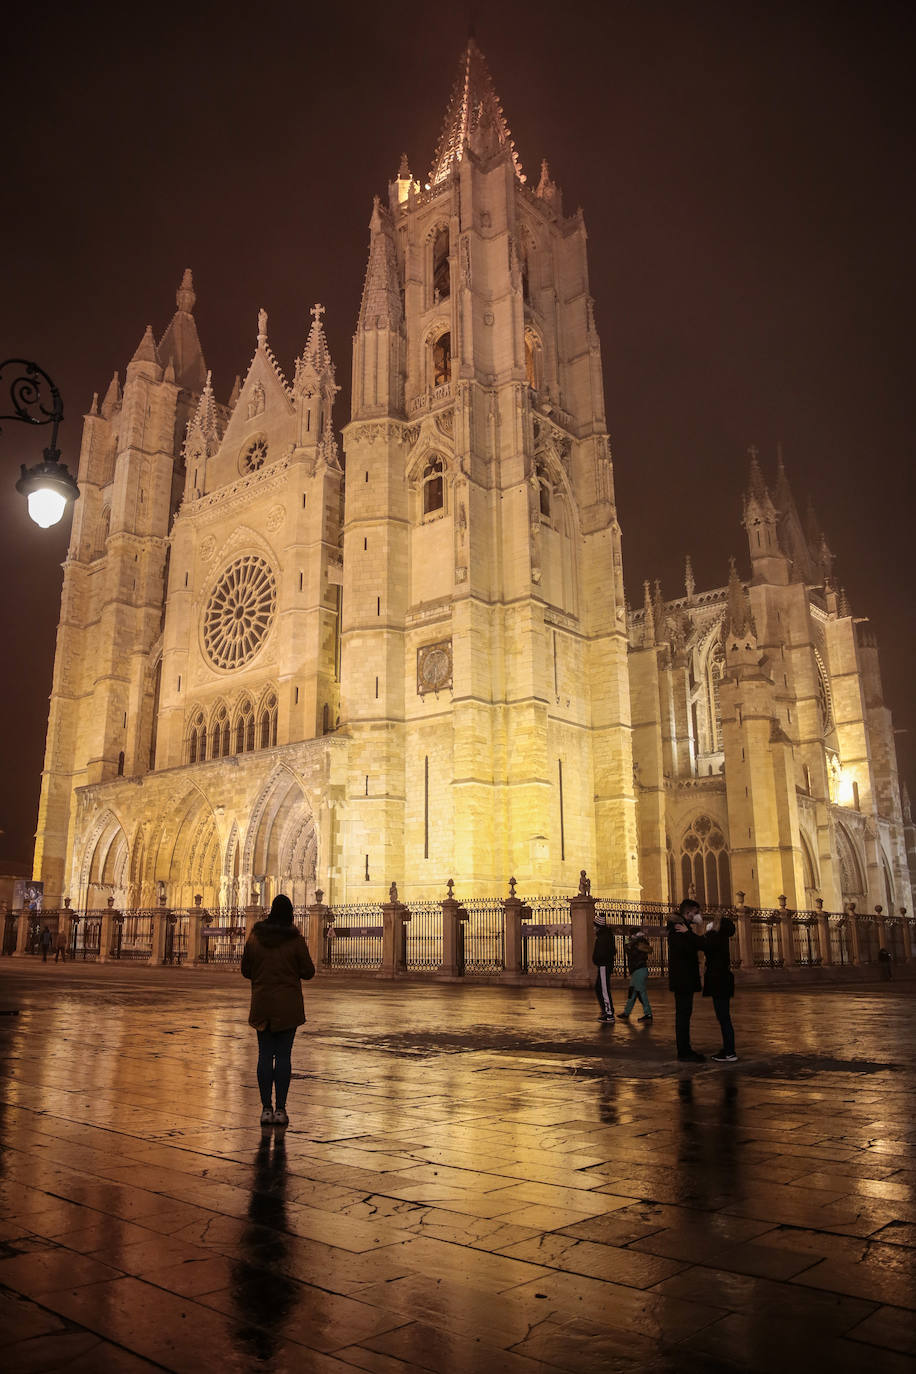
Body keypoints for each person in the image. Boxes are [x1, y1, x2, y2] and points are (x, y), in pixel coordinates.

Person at [241, 894, 315, 1127]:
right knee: (283, 1057)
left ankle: (265, 1109)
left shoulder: (255, 937)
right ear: (290, 914)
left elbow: (246, 969)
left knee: (264, 1055)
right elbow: (308, 971)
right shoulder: (294, 939)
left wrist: (262, 977)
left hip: (262, 1003)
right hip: (288, 1006)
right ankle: (281, 1109)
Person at [667, 898, 706, 1061]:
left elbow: (696, 944)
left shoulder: (684, 927)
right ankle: (684, 1051)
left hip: (684, 978)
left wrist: (690, 933)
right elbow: (689, 947)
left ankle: (685, 1049)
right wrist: (690, 934)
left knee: (684, 1015)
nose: (697, 916)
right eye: (696, 913)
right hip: (683, 979)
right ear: (688, 912)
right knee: (683, 1016)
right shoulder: (678, 928)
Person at [702, 914, 737, 1062]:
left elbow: (705, 946)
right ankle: (728, 1049)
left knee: (723, 1017)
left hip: (719, 982)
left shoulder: (716, 938)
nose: (712, 923)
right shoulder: (721, 939)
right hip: (723, 982)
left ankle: (729, 1052)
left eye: (715, 922)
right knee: (724, 1017)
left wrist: (709, 932)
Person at [618, 929, 653, 1021]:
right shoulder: (633, 942)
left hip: (639, 970)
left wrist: (634, 941)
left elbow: (631, 952)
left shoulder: (640, 942)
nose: (628, 937)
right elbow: (626, 947)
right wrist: (630, 940)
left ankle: (648, 1014)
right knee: (632, 992)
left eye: (630, 934)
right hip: (635, 970)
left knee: (641, 992)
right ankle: (626, 1012)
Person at [592, 913, 616, 1022]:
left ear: (598, 927)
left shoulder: (603, 937)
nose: (593, 928)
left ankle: (609, 1013)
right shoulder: (605, 936)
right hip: (603, 965)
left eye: (594, 926)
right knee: (599, 987)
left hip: (604, 965)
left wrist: (598, 960)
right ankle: (606, 1010)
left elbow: (603, 952)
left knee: (604, 989)